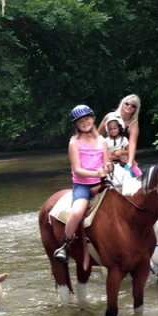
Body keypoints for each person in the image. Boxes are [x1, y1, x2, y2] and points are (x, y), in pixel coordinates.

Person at [54, 105, 110, 267]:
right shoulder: (74, 143)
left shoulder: (102, 140)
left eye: (87, 119)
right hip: (83, 185)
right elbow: (78, 170)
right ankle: (65, 245)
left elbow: (106, 161)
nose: (85, 123)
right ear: (76, 124)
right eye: (81, 121)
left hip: (103, 182)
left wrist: (108, 167)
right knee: (77, 211)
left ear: (93, 119)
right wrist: (96, 174)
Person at [99, 94, 142, 178]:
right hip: (107, 154)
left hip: (124, 156)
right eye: (127, 103)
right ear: (122, 103)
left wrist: (130, 161)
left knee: (138, 173)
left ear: (136, 109)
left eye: (133, 106)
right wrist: (105, 156)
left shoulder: (134, 124)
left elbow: (132, 144)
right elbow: (97, 138)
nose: (129, 106)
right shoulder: (110, 116)